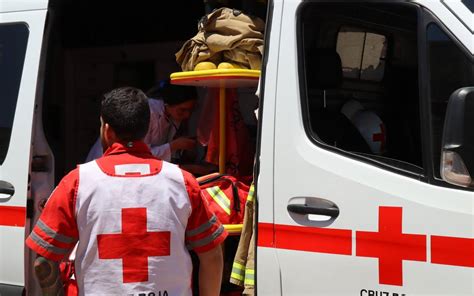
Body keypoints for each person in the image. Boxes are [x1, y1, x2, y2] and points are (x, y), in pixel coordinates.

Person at [26, 87, 227, 296]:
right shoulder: (182, 182)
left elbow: (44, 262)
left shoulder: (77, 183)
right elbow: (212, 255)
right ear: (147, 125)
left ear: (107, 130)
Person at [86, 82, 198, 163]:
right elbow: (136, 151)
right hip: (107, 161)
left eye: (191, 110)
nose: (187, 115)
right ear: (167, 104)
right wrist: (173, 146)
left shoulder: (172, 116)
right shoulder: (148, 112)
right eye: (182, 110)